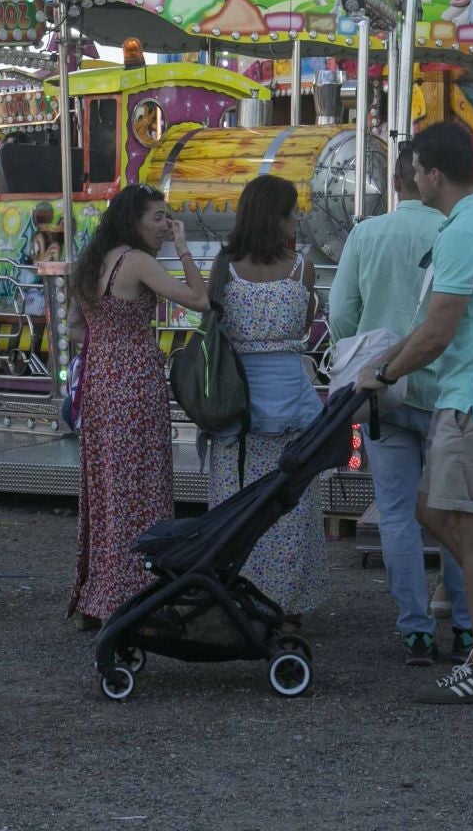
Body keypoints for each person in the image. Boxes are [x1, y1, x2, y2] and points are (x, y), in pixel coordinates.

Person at [357, 123, 473, 705]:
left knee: (469, 531)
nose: (411, 179)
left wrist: (383, 374)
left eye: (414, 170)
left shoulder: (464, 230)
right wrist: (391, 360)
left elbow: (437, 332)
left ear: (433, 175)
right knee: (431, 510)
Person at [328, 144, 473, 666]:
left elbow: (341, 313)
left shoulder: (366, 234)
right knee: (456, 511)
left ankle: (413, 626)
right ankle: (465, 623)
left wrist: (364, 355)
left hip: (383, 391)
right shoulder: (456, 231)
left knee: (395, 511)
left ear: (396, 182)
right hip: (447, 387)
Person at [65, 185, 209, 627]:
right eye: (159, 218)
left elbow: (73, 327)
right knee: (143, 485)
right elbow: (199, 300)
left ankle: (99, 594)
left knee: (107, 486)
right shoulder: (139, 262)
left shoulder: (95, 260)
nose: (166, 227)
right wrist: (185, 250)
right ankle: (136, 593)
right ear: (134, 221)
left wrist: (110, 341)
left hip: (100, 382)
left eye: (168, 219)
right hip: (135, 385)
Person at [207, 175, 329, 619]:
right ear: (277, 216)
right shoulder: (302, 268)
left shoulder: (225, 267)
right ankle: (286, 602)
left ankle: (235, 596)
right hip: (291, 397)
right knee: (289, 509)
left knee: (235, 502)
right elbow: (301, 329)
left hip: (237, 401)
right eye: (291, 211)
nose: (295, 218)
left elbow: (215, 324)